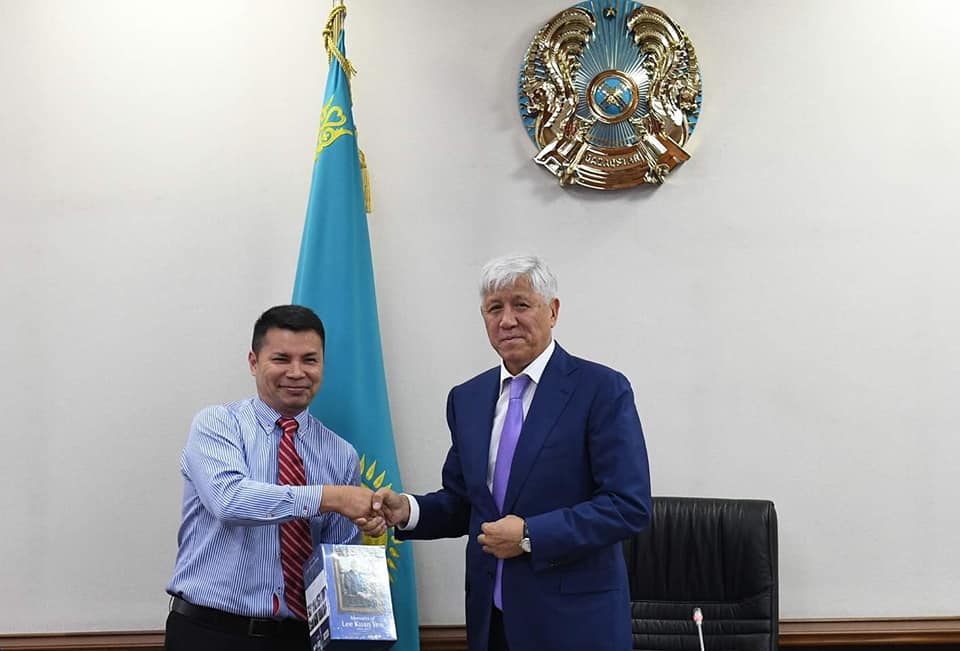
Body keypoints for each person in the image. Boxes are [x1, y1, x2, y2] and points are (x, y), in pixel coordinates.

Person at [372, 254, 652, 651]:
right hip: (492, 623)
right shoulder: (467, 398)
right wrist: (407, 510)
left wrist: (529, 535)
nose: (507, 320)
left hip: (575, 625)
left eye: (521, 304)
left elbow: (628, 506)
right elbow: (465, 504)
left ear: (553, 311)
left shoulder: (601, 390)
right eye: (494, 308)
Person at [165, 305, 380, 651]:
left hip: (301, 637)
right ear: (254, 362)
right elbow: (230, 501)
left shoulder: (341, 454)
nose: (296, 372)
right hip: (211, 632)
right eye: (281, 359)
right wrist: (331, 498)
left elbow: (337, 559)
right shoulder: (218, 424)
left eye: (309, 360)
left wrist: (370, 519)